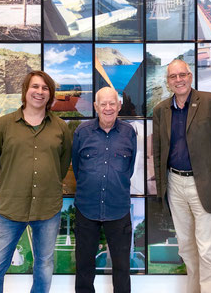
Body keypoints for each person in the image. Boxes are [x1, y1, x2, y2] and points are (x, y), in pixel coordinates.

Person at [0, 70, 72, 293]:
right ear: (25, 91)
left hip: (47, 208)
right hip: (10, 208)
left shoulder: (61, 127)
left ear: (50, 94)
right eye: (35, 87)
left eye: (45, 88)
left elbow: (62, 164)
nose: (39, 92)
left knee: (44, 266)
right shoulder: (3, 125)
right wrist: (10, 186)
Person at [153, 59, 211, 293]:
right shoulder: (161, 110)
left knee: (208, 249)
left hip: (206, 184)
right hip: (175, 184)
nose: (178, 80)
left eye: (182, 75)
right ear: (167, 82)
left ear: (190, 76)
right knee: (187, 249)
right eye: (173, 77)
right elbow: (158, 152)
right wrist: (162, 191)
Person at [72, 87, 137, 293]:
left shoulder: (129, 132)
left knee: (121, 268)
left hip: (118, 208)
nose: (108, 108)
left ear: (119, 106)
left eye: (112, 103)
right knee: (83, 267)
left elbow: (130, 168)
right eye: (103, 104)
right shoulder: (81, 132)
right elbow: (77, 166)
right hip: (86, 208)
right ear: (95, 107)